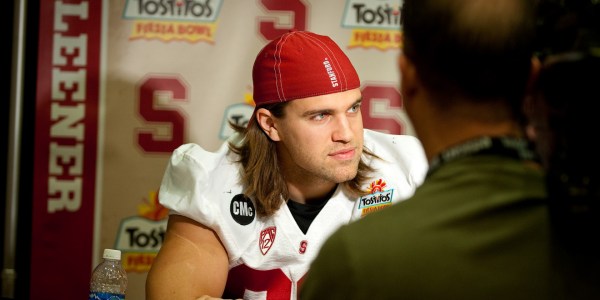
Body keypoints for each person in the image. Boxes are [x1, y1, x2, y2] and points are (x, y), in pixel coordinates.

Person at [300, 0, 563, 299]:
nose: (344, 132)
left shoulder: (355, 260)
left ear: (408, 79)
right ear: (533, 79)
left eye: (352, 109)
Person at [145, 30, 428, 299]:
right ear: (271, 125)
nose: (346, 134)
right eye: (320, 116)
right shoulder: (216, 183)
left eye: (353, 108)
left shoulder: (407, 167)